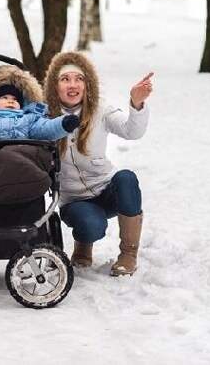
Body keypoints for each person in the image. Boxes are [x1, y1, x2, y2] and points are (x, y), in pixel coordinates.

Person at [43, 52, 153, 276]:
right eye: (65, 79)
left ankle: (128, 255)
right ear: (55, 86)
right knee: (92, 225)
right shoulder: (44, 117)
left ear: (87, 84)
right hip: (74, 200)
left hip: (106, 189)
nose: (73, 85)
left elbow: (132, 131)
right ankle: (83, 245)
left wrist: (137, 103)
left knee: (126, 178)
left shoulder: (100, 110)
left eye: (79, 79)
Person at [0, 65, 80, 143]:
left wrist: (63, 124)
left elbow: (45, 130)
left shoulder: (28, 119)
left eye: (15, 99)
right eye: (4, 97)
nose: (11, 101)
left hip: (23, 159)